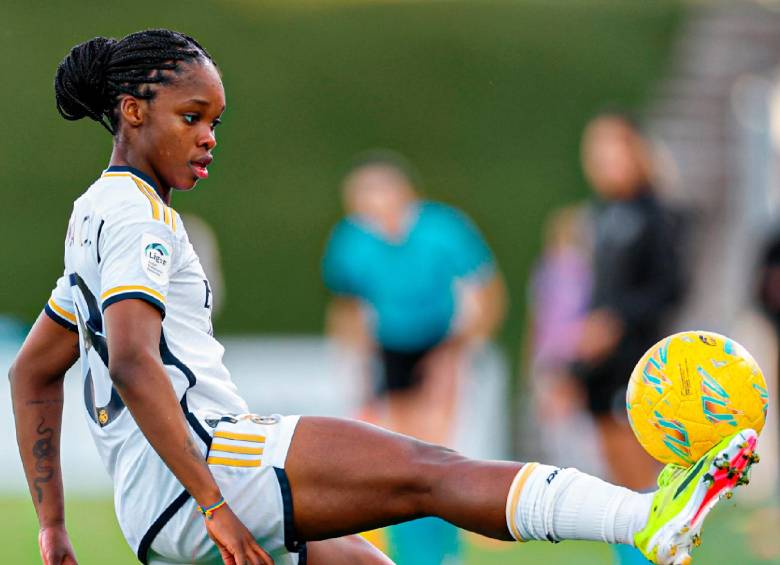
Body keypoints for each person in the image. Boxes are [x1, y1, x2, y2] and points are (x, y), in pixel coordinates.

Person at [9, 29, 757, 565]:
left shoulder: (92, 214)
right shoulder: (138, 215)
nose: (209, 137)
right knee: (427, 471)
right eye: (191, 116)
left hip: (152, 509)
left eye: (216, 121)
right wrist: (211, 499)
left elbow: (32, 369)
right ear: (132, 111)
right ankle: (644, 516)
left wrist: (53, 527)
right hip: (212, 466)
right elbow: (136, 363)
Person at [322, 151, 506, 564]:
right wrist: (355, 363)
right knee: (402, 454)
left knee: (438, 448)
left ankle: (446, 552)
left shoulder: (443, 228)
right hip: (391, 347)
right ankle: (408, 555)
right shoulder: (352, 238)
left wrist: (455, 353)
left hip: (443, 340)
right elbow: (349, 306)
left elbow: (490, 294)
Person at [572, 113, 686, 565]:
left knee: (644, 478)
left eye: (613, 147)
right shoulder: (600, 214)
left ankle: (655, 556)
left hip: (638, 361)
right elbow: (599, 292)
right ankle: (629, 558)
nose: (604, 159)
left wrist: (615, 321)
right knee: (614, 481)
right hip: (598, 364)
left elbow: (671, 289)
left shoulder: (657, 213)